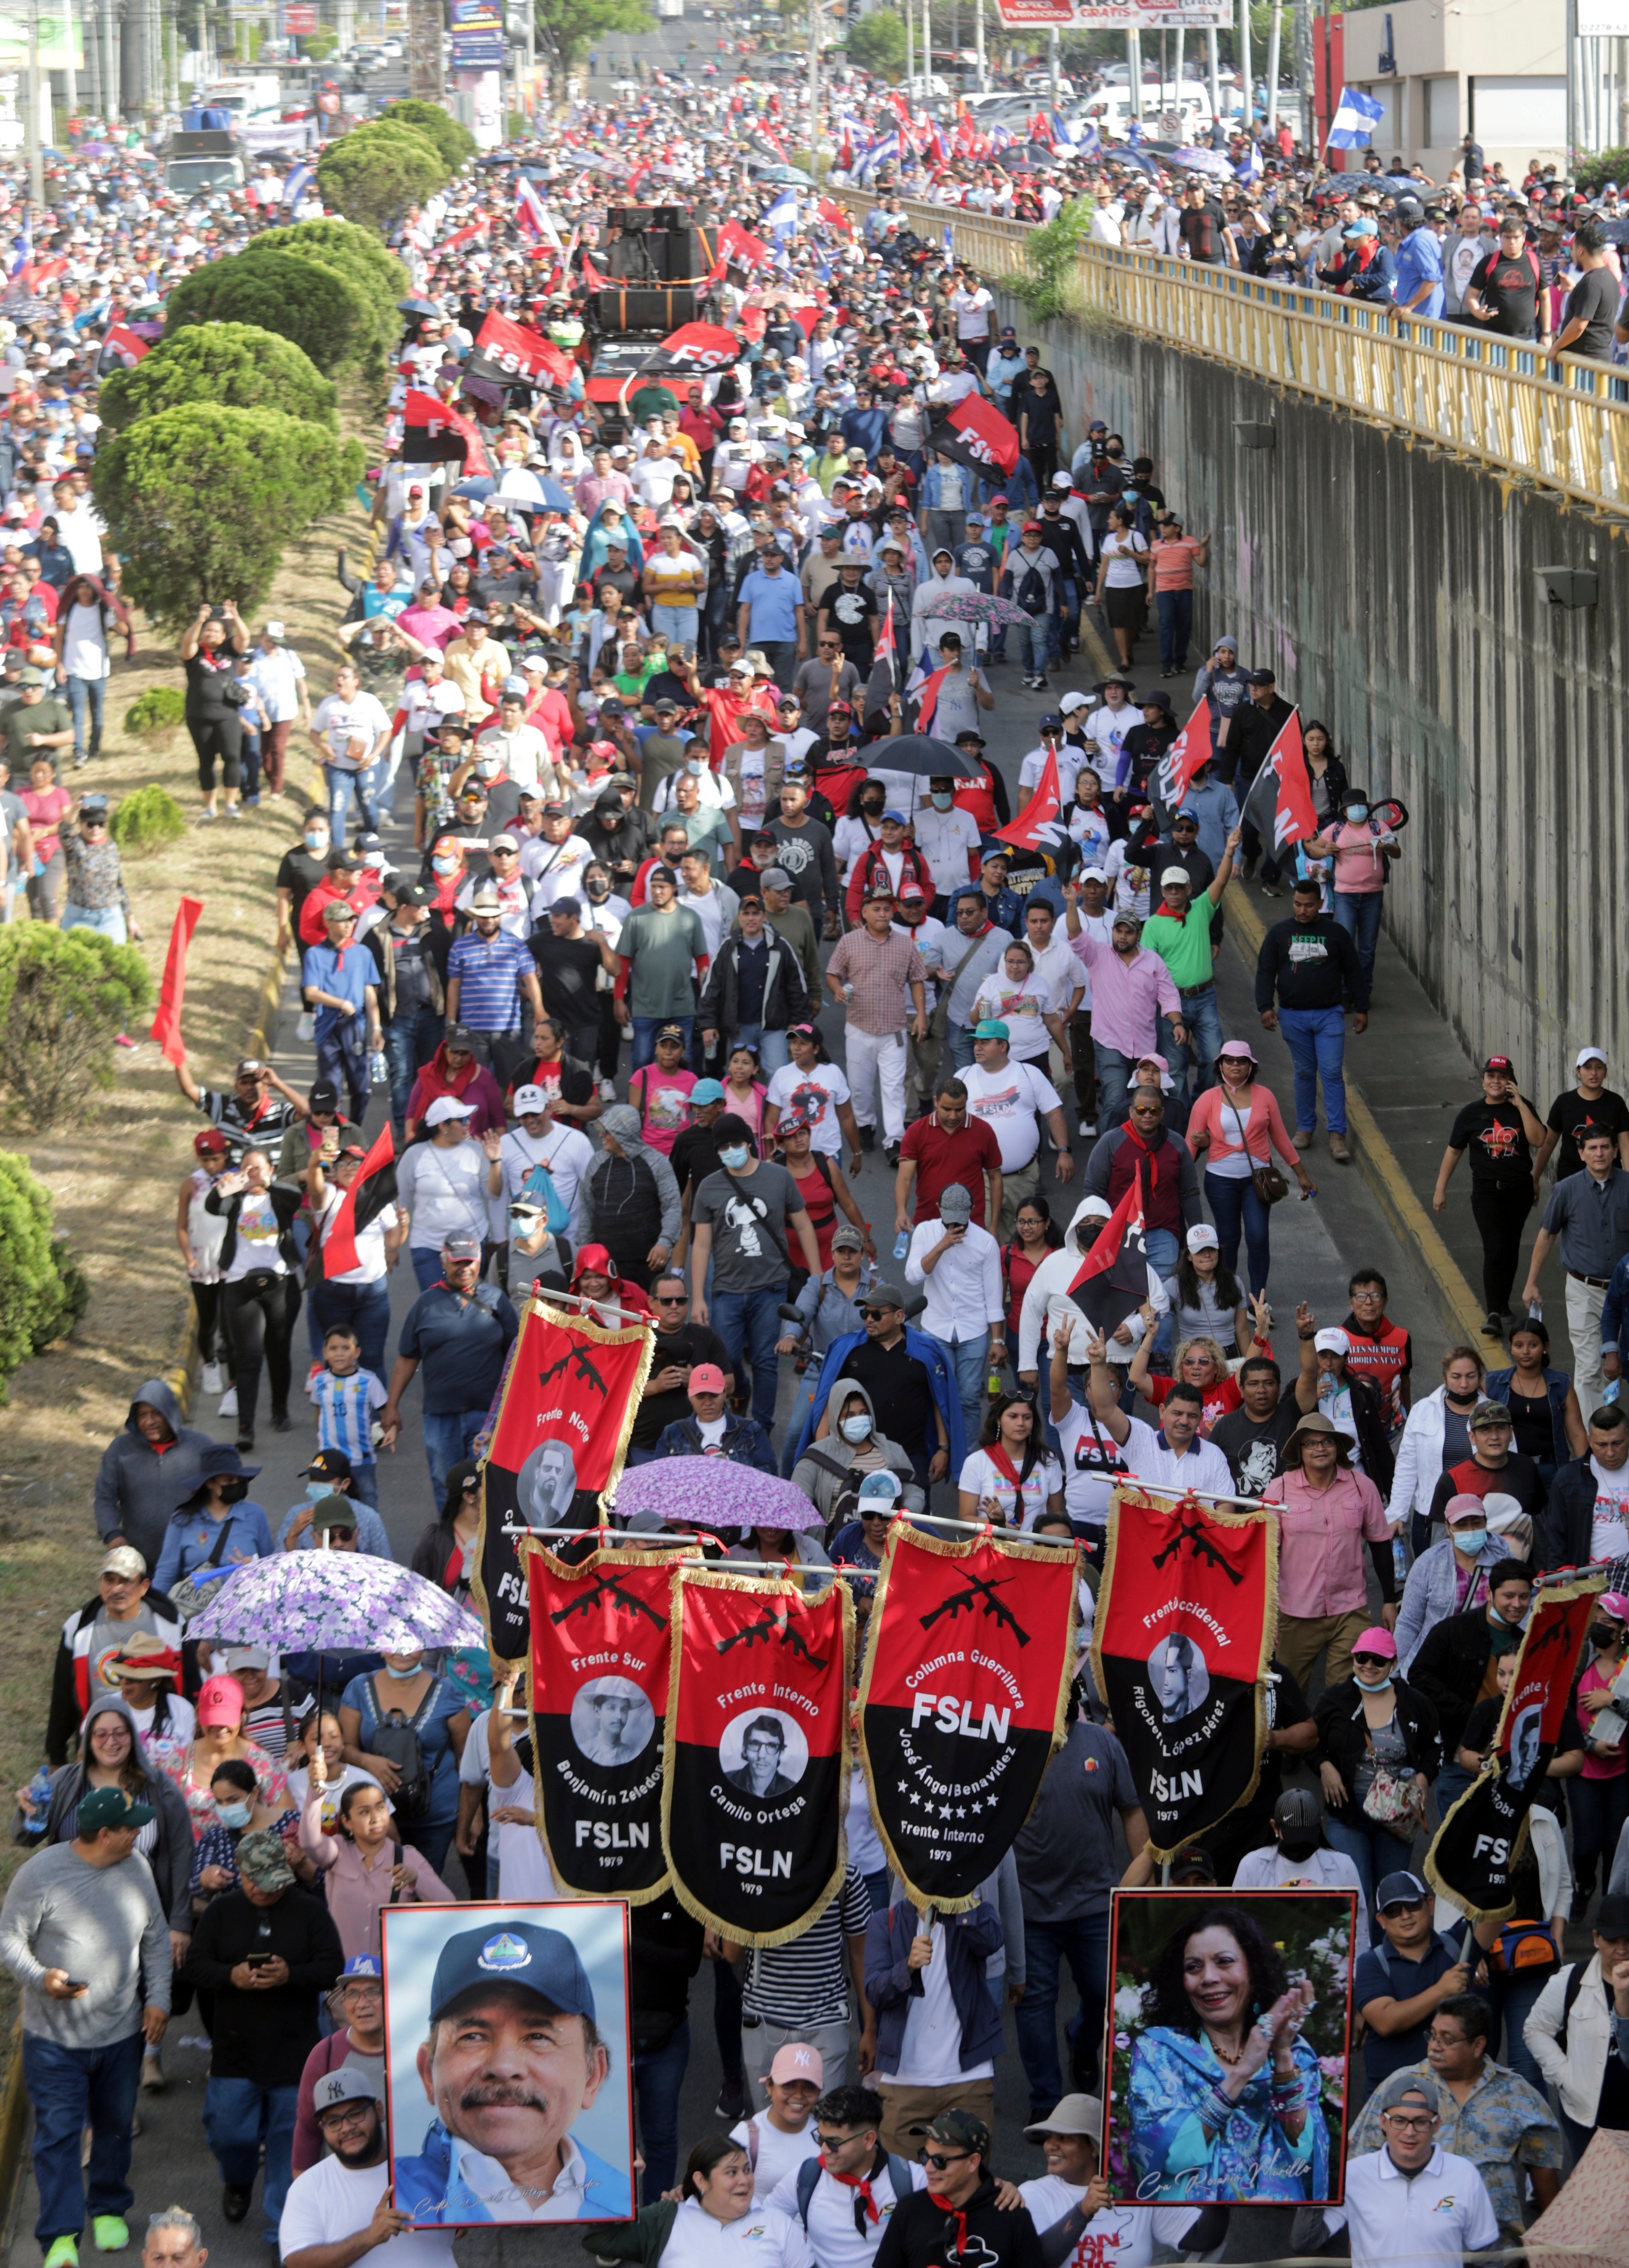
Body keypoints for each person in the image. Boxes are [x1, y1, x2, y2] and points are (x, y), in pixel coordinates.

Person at [0, 1786, 172, 2268]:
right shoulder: (41, 1874)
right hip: (54, 2042)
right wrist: (41, 1978)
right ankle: (60, 2236)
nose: (139, 1834)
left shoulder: (137, 1867)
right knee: (57, 2136)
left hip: (121, 2035)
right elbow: (9, 1940)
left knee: (114, 2127)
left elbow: (157, 1940)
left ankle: (109, 2208)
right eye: (130, 1828)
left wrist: (158, 1999)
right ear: (105, 1834)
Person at [393, 1917, 633, 2221]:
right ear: (428, 2074)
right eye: (473, 2037)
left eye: (538, 2037)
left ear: (592, 2076)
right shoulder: (388, 2203)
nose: (504, 2067)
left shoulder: (626, 2203)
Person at [181, 1828, 342, 2238]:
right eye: (255, 1881)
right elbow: (194, 1965)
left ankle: (284, 2234)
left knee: (290, 2145)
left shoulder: (310, 1911)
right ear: (240, 1872)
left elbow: (332, 1967)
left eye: (272, 1883)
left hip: (295, 2052)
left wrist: (292, 1975)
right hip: (235, 2051)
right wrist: (230, 1976)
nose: (263, 1891)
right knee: (228, 2133)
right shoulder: (221, 1912)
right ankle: (237, 2179)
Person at [1124, 1902, 1327, 2201]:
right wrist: (1242, 2073)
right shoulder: (1159, 2051)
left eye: (1224, 1962)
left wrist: (1282, 2053)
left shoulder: (1295, 2053)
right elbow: (1172, 2155)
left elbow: (1304, 2152)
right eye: (1193, 1967)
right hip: (1193, 2221)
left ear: (1253, 1971)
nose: (1208, 1977)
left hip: (1271, 2218)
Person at [1011, 1691, 1145, 2117]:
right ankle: (1046, 2102)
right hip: (1030, 1909)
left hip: (1096, 1904)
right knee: (1034, 2005)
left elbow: (1132, 1809)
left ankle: (1083, 2041)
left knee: (1105, 1991)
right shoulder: (1010, 1742)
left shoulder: (1102, 1743)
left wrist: (1141, 1888)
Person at [1342, 1989, 1561, 2243]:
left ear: (1478, 2045)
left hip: (1495, 2249)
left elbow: (1544, 2168)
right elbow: (1359, 2160)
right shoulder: (1401, 2085)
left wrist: (1554, 2241)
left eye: (1447, 2040)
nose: (1435, 2046)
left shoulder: (1517, 2094)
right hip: (1416, 2247)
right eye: (1433, 2035)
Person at [688, 1111, 821, 1431]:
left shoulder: (779, 1177)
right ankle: (741, 1391)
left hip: (771, 1288)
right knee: (728, 1358)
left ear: (749, 1143)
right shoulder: (709, 1187)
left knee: (765, 1360)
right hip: (726, 1291)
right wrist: (698, 1298)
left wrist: (817, 1277)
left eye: (735, 1144)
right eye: (723, 1147)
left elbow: (804, 1225)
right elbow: (702, 1245)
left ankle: (762, 1427)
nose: (730, 1151)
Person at [1263, 1414, 1397, 1693]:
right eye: (1310, 1443)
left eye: (1327, 1442)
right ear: (1300, 1451)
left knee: (1346, 1694)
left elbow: (1381, 1543)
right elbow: (1266, 1556)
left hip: (1350, 1610)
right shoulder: (1280, 1488)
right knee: (1289, 1694)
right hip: (1295, 1612)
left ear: (1338, 1447)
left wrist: (1389, 1600)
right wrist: (1268, 1615)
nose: (1320, 1448)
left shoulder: (1362, 1486)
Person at [381, 1232, 518, 1502]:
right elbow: (407, 1358)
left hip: (487, 1418)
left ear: (480, 1262)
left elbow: (516, 1355)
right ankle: (450, 1532)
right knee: (447, 1489)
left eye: (470, 1262)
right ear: (444, 1262)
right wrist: (392, 1407)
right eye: (457, 1262)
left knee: (487, 1490)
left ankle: (483, 1533)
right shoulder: (425, 1304)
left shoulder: (497, 1299)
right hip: (440, 1418)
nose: (464, 1268)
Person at [281, 2068, 451, 2268]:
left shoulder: (428, 2171)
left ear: (379, 2110)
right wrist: (370, 2237)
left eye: (355, 2114)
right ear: (323, 2129)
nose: (346, 2128)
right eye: (333, 2122)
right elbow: (297, 2262)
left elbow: (467, 2211)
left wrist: (464, 2217)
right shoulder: (308, 2186)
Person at [297, 1752, 455, 1962]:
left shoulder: (407, 1856)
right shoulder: (337, 1850)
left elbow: (450, 1905)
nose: (375, 1818)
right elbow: (310, 1843)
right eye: (364, 1812)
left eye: (380, 1808)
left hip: (391, 1972)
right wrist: (315, 1793)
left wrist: (417, 1878)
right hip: (342, 1972)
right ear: (347, 1822)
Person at [1185, 1040, 1312, 1294]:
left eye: (1242, 1061)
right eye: (1229, 1060)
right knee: (1228, 1240)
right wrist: (1177, 1181)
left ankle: (1258, 1300)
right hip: (1220, 1181)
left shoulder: (1266, 1096)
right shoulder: (1207, 1099)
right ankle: (1228, 1296)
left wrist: (1301, 1175)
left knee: (1258, 1237)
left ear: (1250, 1066)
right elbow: (1190, 1146)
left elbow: (1281, 1139)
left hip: (1258, 1181)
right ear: (1220, 1065)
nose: (1236, 1065)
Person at [1333, 2073, 1498, 2268]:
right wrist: (1325, 2174)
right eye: (1399, 2121)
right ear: (1383, 2122)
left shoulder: (1464, 2174)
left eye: (1421, 2122)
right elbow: (1308, 2241)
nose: (1409, 2132)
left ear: (1436, 2125)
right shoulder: (1353, 2173)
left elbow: (1487, 2256)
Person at [1410, 1559, 1535, 1816]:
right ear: (1489, 1593)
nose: (1517, 1604)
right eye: (1509, 1596)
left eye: (1524, 1597)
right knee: (1458, 1835)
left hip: (1508, 1763)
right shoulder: (1453, 1629)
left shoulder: (1527, 1645)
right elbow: (1419, 1675)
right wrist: (1470, 1713)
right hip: (1458, 1758)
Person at [1254, 877, 1366, 1162]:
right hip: (1293, 1017)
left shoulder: (1336, 934)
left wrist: (1362, 1008)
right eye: (1297, 904)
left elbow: (1354, 971)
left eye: (1308, 905)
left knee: (1331, 1072)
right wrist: (1265, 1007)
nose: (1302, 910)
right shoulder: (1279, 933)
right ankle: (1305, 1129)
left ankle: (1337, 1135)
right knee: (1304, 1072)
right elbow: (1266, 971)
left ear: (1320, 904)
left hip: (1329, 1015)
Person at [1434, 1055, 1547, 1338]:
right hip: (1486, 1192)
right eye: (1491, 1076)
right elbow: (1454, 1150)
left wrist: (1521, 1105)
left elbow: (1539, 1139)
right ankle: (1494, 1313)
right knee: (1494, 1249)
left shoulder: (1521, 1108)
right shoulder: (1471, 1114)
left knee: (1510, 1248)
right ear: (1483, 1080)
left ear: (1510, 1081)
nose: (1496, 1081)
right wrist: (1440, 1188)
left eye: (1502, 1076)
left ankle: (1504, 1304)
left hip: (1519, 1191)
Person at [1522, 1123, 1629, 1417]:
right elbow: (1547, 1235)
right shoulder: (1566, 1189)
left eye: (1605, 1147)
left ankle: (1616, 1432)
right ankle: (1595, 1437)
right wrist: (1531, 1282)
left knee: (1622, 1363)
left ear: (1616, 1151)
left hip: (1625, 1291)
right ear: (1581, 1154)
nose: (1599, 1154)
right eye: (1592, 1148)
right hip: (1585, 1290)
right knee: (1590, 1367)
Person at [45, 1545, 182, 1766]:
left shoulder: (171, 1625)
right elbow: (63, 1695)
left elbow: (188, 1682)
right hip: (99, 1745)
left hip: (158, 1747)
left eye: (126, 1581)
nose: (117, 1589)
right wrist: (57, 1756)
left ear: (144, 1586)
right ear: (100, 1583)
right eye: (109, 1580)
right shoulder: (78, 1628)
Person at [591, 2133, 813, 2268]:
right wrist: (618, 2182)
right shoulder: (667, 2217)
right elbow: (600, 2240)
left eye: (747, 2170)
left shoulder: (778, 2224)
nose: (745, 2180)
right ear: (701, 2180)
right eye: (732, 2173)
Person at [1524, 1893, 1629, 2164]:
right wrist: (1564, 2076)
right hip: (1586, 2119)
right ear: (1596, 1939)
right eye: (1612, 1941)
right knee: (1594, 2190)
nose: (1621, 1950)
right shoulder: (1570, 1980)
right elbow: (1535, 2029)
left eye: (1628, 1941)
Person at [904, 1182, 1005, 1454]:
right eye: (950, 1219)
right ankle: (942, 1451)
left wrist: (997, 1340)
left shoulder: (986, 1242)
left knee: (969, 1399)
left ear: (972, 1210)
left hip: (974, 1331)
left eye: (961, 1219)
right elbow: (913, 1276)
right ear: (939, 1208)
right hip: (936, 1329)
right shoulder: (925, 1232)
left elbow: (994, 1295)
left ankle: (967, 1456)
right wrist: (941, 1247)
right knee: (939, 1396)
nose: (955, 1225)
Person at [870, 2110, 1041, 2268]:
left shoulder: (1013, 2218)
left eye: (940, 2161)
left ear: (973, 2162)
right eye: (925, 2156)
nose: (928, 2168)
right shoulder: (909, 2210)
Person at [94, 1380, 210, 1574]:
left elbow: (221, 1496)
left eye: (157, 1413)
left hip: (191, 1564)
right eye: (143, 1415)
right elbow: (105, 1499)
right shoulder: (120, 1450)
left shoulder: (201, 1447)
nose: (149, 1422)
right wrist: (113, 1535)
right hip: (138, 1566)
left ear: (170, 1413)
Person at [179, 601, 248, 820]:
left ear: (224, 635)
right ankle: (210, 806)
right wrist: (199, 620)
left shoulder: (230, 650)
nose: (211, 634)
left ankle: (230, 804)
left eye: (216, 631)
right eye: (208, 630)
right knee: (206, 760)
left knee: (232, 757)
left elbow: (245, 638)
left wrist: (235, 617)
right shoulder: (196, 653)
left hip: (227, 715)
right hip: (199, 716)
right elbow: (187, 644)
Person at [654, 1361, 776, 1468]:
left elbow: (770, 1471)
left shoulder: (752, 1430)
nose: (708, 1403)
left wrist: (733, 1470)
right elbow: (659, 1475)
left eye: (714, 1395)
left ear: (725, 1393)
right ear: (690, 1396)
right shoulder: (672, 1433)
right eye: (700, 1397)